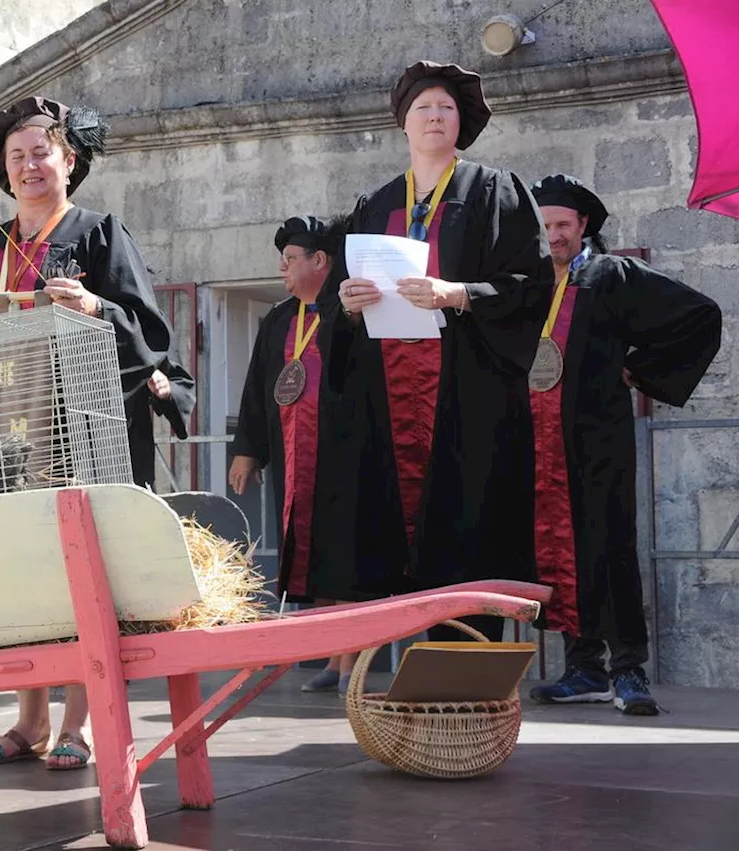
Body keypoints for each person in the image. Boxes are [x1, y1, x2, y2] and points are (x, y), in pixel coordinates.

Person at [0, 95, 193, 770]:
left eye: (41, 152)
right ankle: (29, 720)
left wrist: (97, 305)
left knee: (86, 581)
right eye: (16, 155)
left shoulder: (100, 233)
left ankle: (80, 723)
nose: (29, 165)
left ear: (69, 160)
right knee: (23, 579)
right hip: (5, 438)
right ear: (4, 169)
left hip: (84, 436)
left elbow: (152, 338)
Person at [328, 61, 553, 643]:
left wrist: (457, 293)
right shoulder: (376, 205)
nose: (434, 115)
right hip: (392, 395)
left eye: (446, 108)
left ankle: (472, 673)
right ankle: (418, 675)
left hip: (465, 396)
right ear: (403, 122)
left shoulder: (494, 191)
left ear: (462, 123)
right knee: (395, 531)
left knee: (470, 524)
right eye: (423, 107)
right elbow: (341, 318)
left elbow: (531, 285)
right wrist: (348, 303)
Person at [525, 174, 722, 715]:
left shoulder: (612, 275)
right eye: (546, 227)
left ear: (583, 225)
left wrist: (639, 369)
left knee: (609, 545)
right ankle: (583, 668)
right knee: (559, 550)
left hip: (598, 439)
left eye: (563, 225)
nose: (555, 236)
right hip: (544, 444)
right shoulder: (536, 284)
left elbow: (699, 314)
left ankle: (628, 669)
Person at [229, 215, 358, 693]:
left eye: (290, 261)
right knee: (313, 557)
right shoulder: (281, 318)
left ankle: (352, 665)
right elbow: (256, 388)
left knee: (348, 560)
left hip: (346, 458)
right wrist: (248, 451)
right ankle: (331, 659)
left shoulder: (347, 309)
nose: (282, 270)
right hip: (293, 458)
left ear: (320, 261)